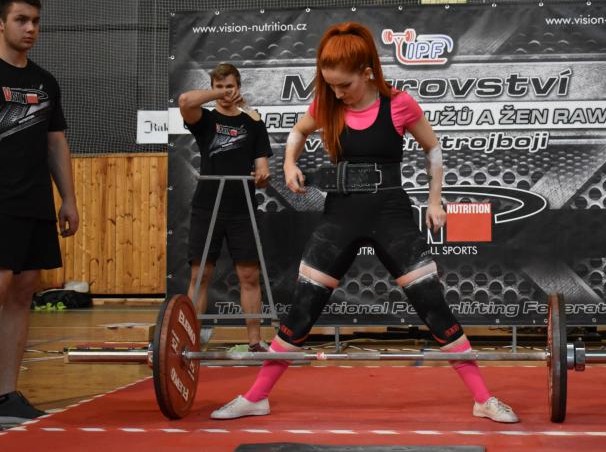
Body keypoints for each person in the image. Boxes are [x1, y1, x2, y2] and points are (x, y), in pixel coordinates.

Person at [210, 22, 519, 423]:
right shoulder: (328, 106)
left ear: (367, 72)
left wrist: (435, 200)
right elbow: (298, 132)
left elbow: (433, 148)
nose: (338, 93)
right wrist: (288, 163)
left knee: (433, 305)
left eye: (345, 85)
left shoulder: (400, 104)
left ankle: (483, 399)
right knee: (302, 308)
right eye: (331, 85)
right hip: (340, 215)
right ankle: (256, 398)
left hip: (391, 214)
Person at [0, 0, 79, 423]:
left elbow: (55, 143)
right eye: (21, 20)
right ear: (1, 23)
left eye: (35, 21)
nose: (30, 28)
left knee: (23, 291)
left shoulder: (45, 82)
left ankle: (6, 395)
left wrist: (68, 198)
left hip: (34, 201)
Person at [178, 63, 273, 350]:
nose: (224, 91)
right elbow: (185, 101)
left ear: (239, 87)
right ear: (212, 88)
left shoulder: (253, 122)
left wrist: (262, 175)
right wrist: (217, 95)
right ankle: (191, 342)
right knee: (200, 275)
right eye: (219, 86)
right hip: (208, 205)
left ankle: (255, 342)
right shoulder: (205, 119)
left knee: (249, 275)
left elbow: (262, 167)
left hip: (242, 207)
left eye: (229, 86)